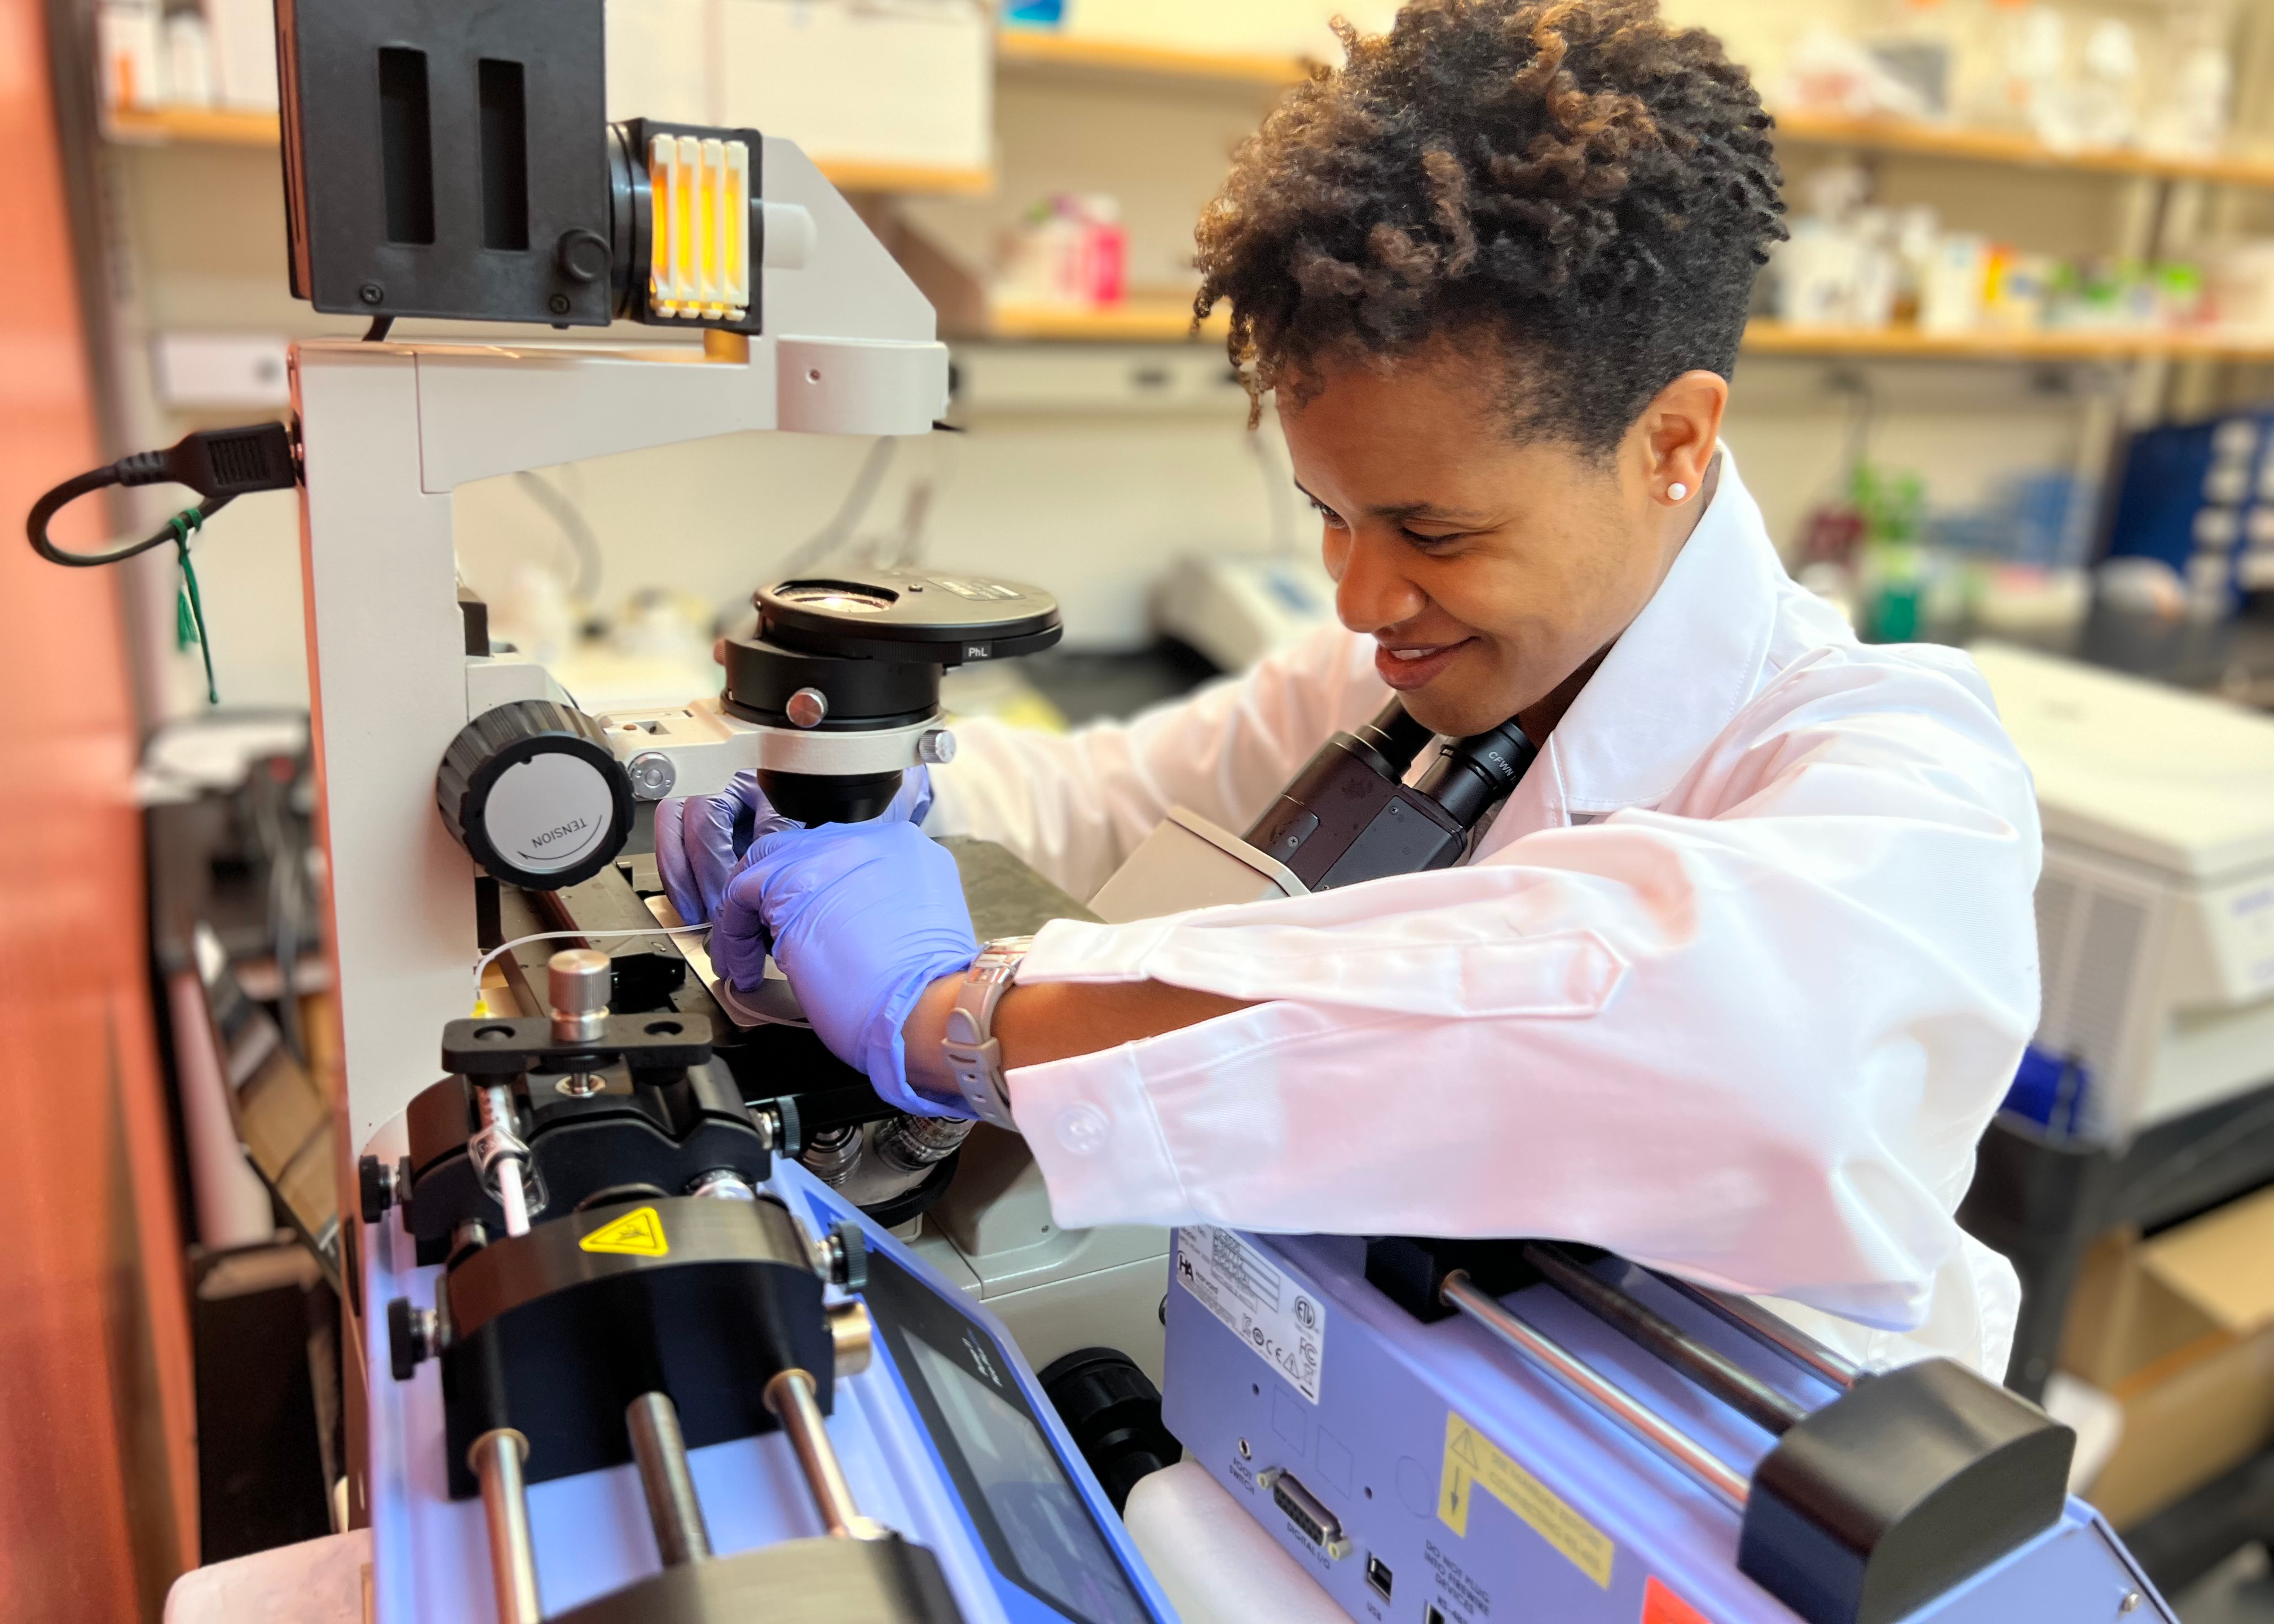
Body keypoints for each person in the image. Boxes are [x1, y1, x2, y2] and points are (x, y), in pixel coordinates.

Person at [658, 0, 2037, 1376]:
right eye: (1330, 513)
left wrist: (964, 1024)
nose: (1360, 600)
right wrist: (824, 792)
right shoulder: (1395, 681)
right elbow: (1096, 801)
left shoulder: (1893, 767)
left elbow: (1647, 1017)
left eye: (1434, 533)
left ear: (1669, 440)